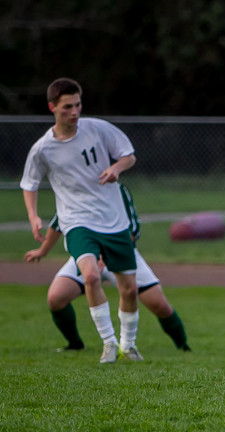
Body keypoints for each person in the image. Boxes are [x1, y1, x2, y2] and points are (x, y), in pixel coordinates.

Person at [20, 77, 141, 364]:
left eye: (77, 105)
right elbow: (29, 184)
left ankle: (129, 344)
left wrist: (116, 168)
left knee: (130, 289)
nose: (74, 112)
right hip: (76, 221)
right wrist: (33, 216)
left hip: (112, 219)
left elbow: (129, 156)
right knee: (90, 275)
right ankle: (109, 343)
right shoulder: (42, 149)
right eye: (66, 107)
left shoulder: (97, 129)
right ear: (52, 107)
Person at [24, 184, 191, 352]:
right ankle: (75, 345)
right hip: (88, 255)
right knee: (56, 297)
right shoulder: (76, 190)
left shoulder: (118, 190)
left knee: (158, 304)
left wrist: (106, 255)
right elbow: (59, 222)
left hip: (121, 253)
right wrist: (43, 250)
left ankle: (183, 346)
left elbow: (133, 229)